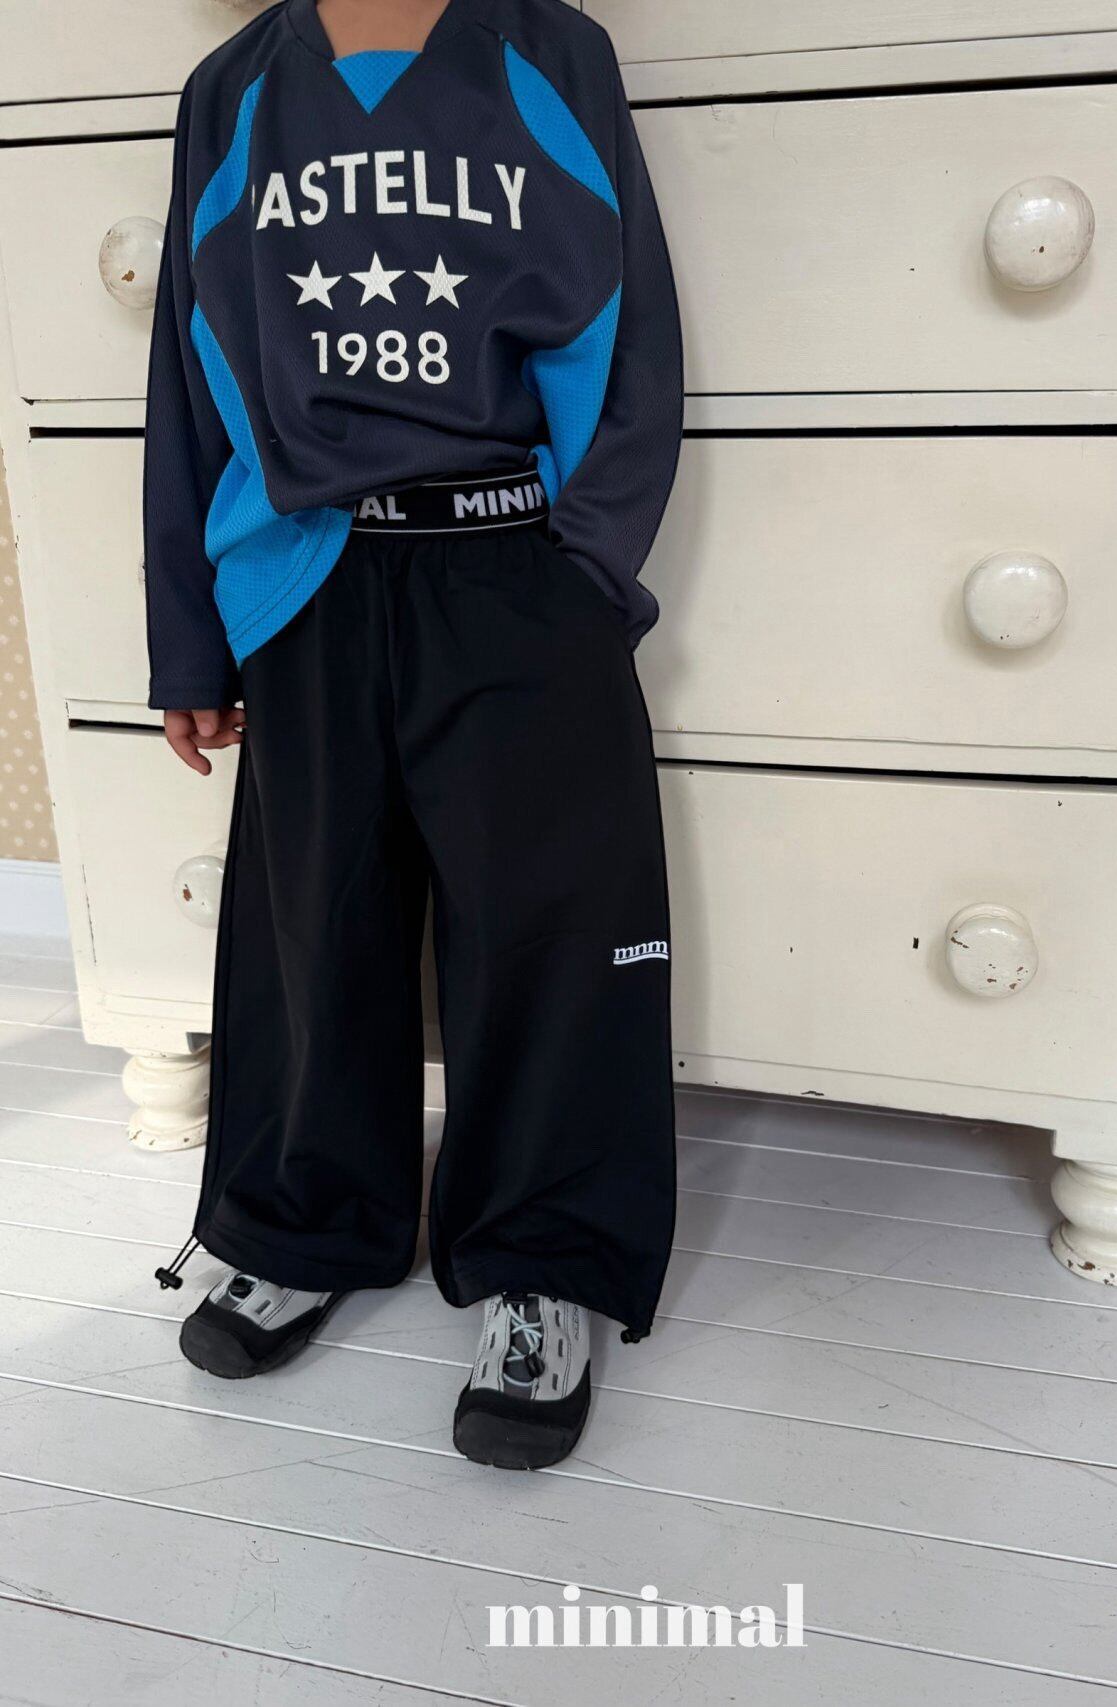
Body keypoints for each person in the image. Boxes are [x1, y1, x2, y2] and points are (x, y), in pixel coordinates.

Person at [142, 0, 683, 1472]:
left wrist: (584, 569)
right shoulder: (232, 92)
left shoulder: (549, 55)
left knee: (549, 932)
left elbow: (629, 322)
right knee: (314, 924)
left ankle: (544, 1258)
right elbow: (190, 369)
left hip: (514, 568)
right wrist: (191, 633)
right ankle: (307, 1220)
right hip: (308, 578)